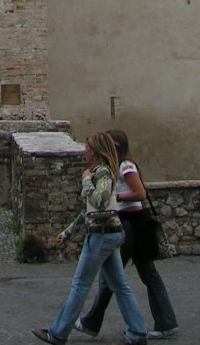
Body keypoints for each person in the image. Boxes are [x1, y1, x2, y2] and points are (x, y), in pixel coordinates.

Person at [32, 132, 148, 345]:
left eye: (86, 148)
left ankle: (58, 333)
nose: (84, 151)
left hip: (101, 236)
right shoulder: (103, 172)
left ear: (93, 151)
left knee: (80, 285)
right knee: (120, 285)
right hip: (111, 233)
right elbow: (89, 210)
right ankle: (138, 331)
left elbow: (100, 201)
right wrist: (67, 232)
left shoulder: (101, 173)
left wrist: (86, 181)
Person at [76, 130, 178, 339]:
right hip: (133, 224)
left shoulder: (126, 166)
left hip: (133, 225)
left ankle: (92, 321)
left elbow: (140, 193)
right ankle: (166, 322)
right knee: (140, 275)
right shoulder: (119, 166)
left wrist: (115, 196)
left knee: (115, 277)